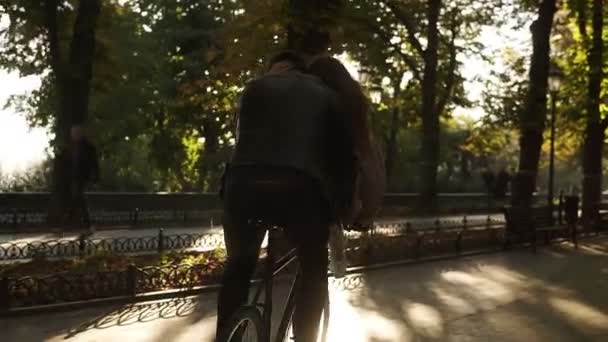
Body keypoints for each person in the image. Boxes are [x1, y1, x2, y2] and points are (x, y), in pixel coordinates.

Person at [216, 51, 356, 342]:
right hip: (299, 189)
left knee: (239, 264)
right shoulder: (327, 96)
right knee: (313, 269)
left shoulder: (254, 87)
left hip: (242, 186)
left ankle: (225, 336)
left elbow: (240, 143)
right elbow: (343, 160)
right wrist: (339, 209)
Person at [65, 124, 99, 230]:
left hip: (83, 177)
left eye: (75, 133)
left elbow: (94, 164)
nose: (73, 135)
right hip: (73, 177)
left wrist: (96, 179)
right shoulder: (70, 147)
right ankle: (75, 221)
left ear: (80, 134)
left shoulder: (88, 147)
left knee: (79, 198)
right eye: (72, 133)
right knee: (77, 199)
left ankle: (84, 223)